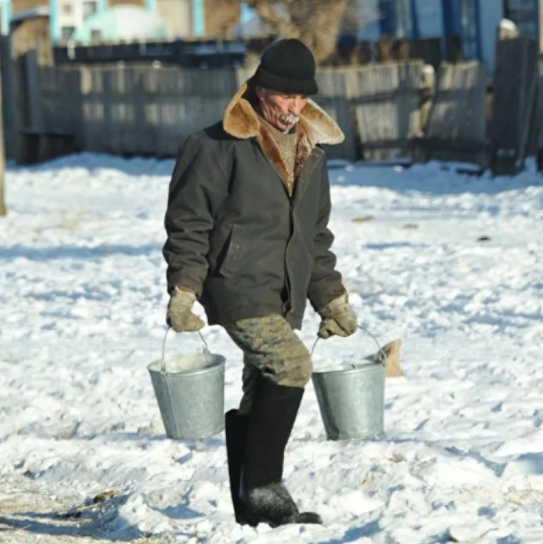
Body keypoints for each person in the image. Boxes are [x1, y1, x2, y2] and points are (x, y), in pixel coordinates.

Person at [162, 38, 357, 528]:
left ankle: (252, 513)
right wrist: (184, 290)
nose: (293, 108)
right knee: (292, 365)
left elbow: (314, 235)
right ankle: (266, 487)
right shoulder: (214, 146)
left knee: (262, 387)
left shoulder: (313, 153)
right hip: (235, 284)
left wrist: (331, 298)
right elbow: (189, 225)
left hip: (283, 292)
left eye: (301, 98)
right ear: (258, 89)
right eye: (284, 97)